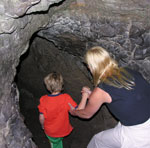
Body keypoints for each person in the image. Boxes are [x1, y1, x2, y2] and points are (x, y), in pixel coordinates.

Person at [69, 46, 150, 148]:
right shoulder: (127, 71)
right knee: (98, 140)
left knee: (98, 142)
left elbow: (86, 114)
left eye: (88, 66)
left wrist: (74, 112)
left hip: (138, 134)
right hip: (139, 119)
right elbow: (126, 94)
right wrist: (94, 96)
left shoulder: (101, 90)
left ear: (92, 66)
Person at [38, 72, 88, 148]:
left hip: (51, 131)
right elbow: (79, 110)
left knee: (54, 144)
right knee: (58, 139)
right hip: (63, 129)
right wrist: (85, 96)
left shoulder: (43, 99)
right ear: (61, 85)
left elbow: (41, 117)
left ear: (48, 87)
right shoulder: (66, 98)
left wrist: (42, 126)